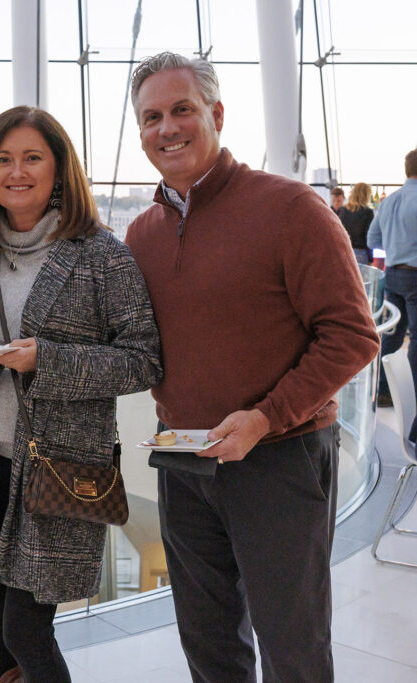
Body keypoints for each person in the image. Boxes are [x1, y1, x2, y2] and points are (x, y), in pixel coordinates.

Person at [125, 52, 380, 682]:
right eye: (151, 116)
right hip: (184, 463)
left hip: (280, 460)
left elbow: (352, 336)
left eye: (181, 109)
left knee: (293, 647)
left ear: (215, 113)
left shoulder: (292, 210)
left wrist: (264, 419)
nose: (167, 128)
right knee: (209, 648)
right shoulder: (141, 235)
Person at [0, 106, 162, 683]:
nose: (17, 171)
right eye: (3, 159)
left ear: (59, 170)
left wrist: (48, 361)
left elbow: (143, 360)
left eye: (33, 157)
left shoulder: (100, 255)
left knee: (25, 631)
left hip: (60, 470)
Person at [368, 149, 417, 419]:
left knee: (391, 336)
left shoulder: (389, 202)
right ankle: (414, 399)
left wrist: (393, 250)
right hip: (415, 276)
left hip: (393, 276)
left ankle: (384, 392)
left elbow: (373, 238)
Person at [336, 182, 375, 265]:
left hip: (343, 252)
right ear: (366, 195)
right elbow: (368, 237)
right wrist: (370, 258)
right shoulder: (368, 212)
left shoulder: (342, 210)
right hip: (360, 253)